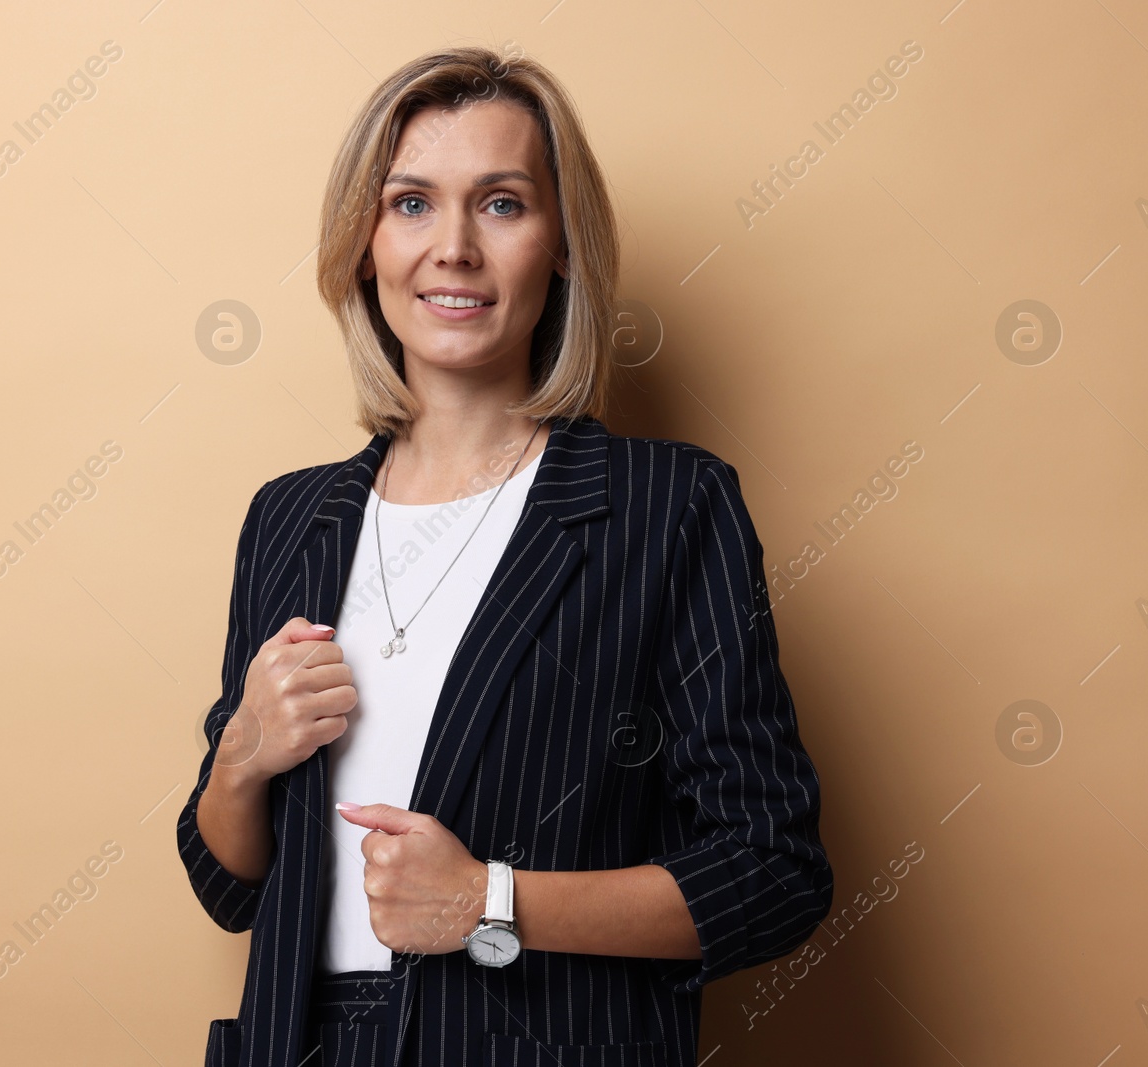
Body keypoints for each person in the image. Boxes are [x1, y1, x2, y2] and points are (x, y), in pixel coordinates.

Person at [177, 44, 833, 1067]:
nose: (451, 248)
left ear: (563, 245)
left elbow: (769, 871)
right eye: (408, 204)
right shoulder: (287, 518)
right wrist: (242, 754)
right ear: (362, 245)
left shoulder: (668, 506)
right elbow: (229, 883)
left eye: (500, 203)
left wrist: (488, 900)